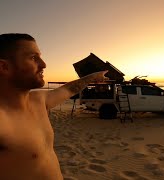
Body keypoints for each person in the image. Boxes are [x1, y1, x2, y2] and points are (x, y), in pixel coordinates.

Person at [0, 33, 109, 180]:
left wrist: (93, 77)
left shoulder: (39, 100)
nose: (43, 64)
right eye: (33, 58)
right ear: (4, 67)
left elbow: (69, 89)